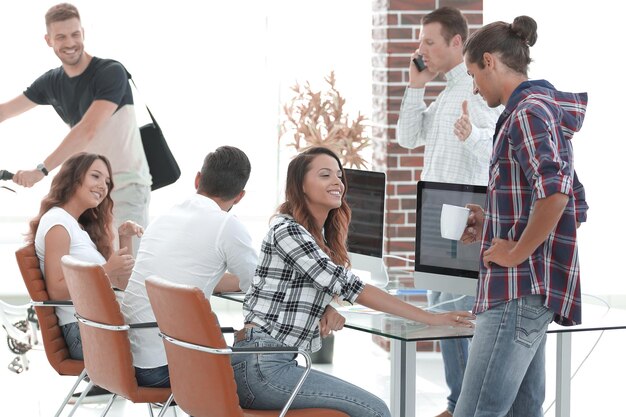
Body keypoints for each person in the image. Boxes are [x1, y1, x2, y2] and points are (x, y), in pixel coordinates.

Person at [231, 147, 475, 417]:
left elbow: (290, 289)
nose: (337, 182)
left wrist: (324, 308)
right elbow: (351, 287)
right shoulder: (288, 231)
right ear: (300, 187)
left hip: (266, 363)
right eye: (325, 175)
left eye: (339, 175)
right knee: (375, 410)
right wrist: (430, 318)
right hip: (262, 367)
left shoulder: (312, 237)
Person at [454, 16, 588, 417]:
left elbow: (557, 193)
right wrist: (490, 222)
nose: (474, 88)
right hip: (531, 290)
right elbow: (562, 199)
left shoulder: (527, 113)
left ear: (490, 61)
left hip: (516, 289)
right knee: (521, 412)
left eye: (473, 74)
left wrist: (515, 253)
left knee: (476, 411)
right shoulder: (540, 110)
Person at [395, 7, 501, 416]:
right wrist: (415, 86)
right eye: (421, 41)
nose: (421, 49)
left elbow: (497, 154)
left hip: (465, 217)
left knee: (452, 319)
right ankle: (460, 404)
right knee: (443, 318)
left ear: (457, 42)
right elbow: (407, 138)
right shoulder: (444, 93)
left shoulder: (478, 91)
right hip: (437, 215)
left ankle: (463, 406)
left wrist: (472, 135)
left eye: (429, 42)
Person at [0, 3, 151, 252]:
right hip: (90, 193)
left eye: (75, 34)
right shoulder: (52, 82)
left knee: (126, 270)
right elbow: (5, 111)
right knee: (93, 272)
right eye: (61, 37)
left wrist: (41, 170)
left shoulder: (111, 72)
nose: (70, 43)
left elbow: (87, 130)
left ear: (83, 33)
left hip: (125, 187)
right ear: (49, 40)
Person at [121, 146, 259, 388]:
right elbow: (260, 288)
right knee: (261, 370)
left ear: (197, 179)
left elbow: (193, 274)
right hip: (166, 364)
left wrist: (239, 280)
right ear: (240, 196)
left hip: (126, 360)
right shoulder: (226, 225)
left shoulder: (163, 219)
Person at [28, 152, 142, 400]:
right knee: (179, 342)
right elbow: (57, 290)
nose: (103, 185)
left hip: (99, 329)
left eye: (107, 181)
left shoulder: (79, 227)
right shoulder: (58, 223)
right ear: (74, 177)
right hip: (86, 335)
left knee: (175, 334)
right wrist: (107, 270)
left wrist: (124, 238)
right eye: (96, 176)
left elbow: (121, 283)